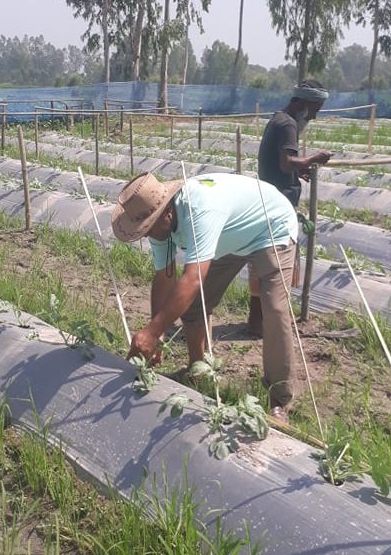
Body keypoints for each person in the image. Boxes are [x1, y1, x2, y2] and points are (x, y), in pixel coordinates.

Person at [111, 171, 298, 417]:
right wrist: (157, 333)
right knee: (192, 306)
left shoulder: (199, 210)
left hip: (269, 227)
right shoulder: (157, 226)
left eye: (148, 228)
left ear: (166, 214)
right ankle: (199, 372)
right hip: (228, 236)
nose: (147, 234)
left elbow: (193, 278)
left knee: (273, 309)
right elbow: (164, 278)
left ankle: (280, 398)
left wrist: (153, 331)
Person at [247, 79, 333, 336]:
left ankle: (256, 321)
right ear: (302, 103)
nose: (315, 116)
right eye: (315, 109)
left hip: (271, 197)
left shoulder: (279, 119)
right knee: (275, 265)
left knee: (263, 261)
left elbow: (284, 164)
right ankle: (268, 323)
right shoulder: (288, 124)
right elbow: (286, 163)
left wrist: (300, 169)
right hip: (278, 203)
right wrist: (313, 159)